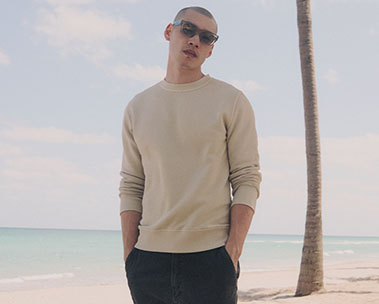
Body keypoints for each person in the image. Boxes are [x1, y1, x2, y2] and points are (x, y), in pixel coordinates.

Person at [119, 6, 262, 304]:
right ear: (169, 32)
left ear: (210, 50)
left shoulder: (231, 101)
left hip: (211, 259)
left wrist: (231, 252)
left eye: (207, 37)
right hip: (147, 263)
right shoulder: (138, 107)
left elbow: (247, 178)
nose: (196, 40)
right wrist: (130, 255)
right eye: (188, 29)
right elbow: (132, 184)